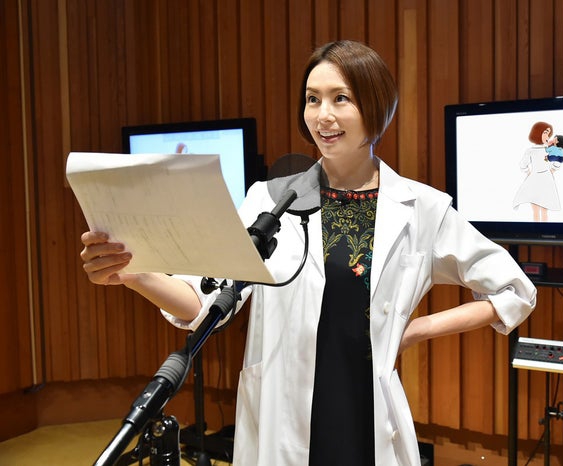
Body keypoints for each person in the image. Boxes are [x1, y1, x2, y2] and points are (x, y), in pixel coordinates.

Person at [80, 40, 536, 466]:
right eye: (312, 99)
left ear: (376, 106)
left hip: (366, 414)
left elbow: (515, 290)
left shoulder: (422, 208)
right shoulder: (268, 200)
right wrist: (134, 275)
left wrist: (416, 330)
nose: (323, 115)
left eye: (341, 98)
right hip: (282, 414)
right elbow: (205, 302)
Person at [512, 121, 562, 222]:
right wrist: (528, 172)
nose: (547, 136)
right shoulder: (531, 151)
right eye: (545, 132)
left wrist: (552, 169)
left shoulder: (548, 149)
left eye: (548, 133)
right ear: (537, 133)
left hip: (544, 180)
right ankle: (537, 228)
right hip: (537, 180)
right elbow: (523, 164)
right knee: (536, 210)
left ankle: (543, 228)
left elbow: (558, 160)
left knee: (543, 210)